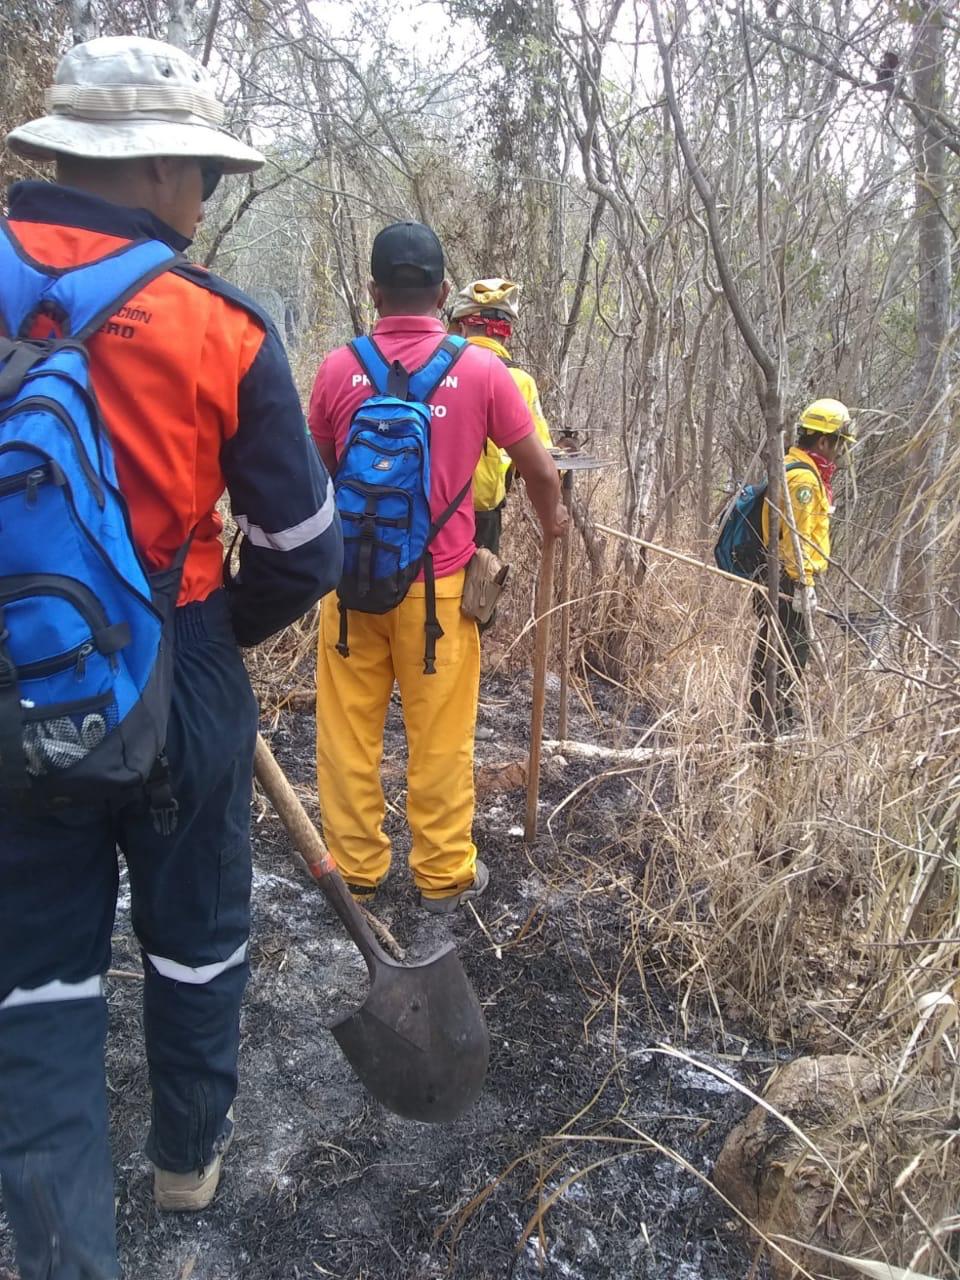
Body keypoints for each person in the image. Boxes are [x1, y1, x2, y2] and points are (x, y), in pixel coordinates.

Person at [0, 35, 342, 1279]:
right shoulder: (216, 325)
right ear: (144, 167)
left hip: (10, 676)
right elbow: (306, 547)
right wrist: (207, 640)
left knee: (33, 966)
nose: (205, 193)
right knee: (195, 931)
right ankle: (186, 1162)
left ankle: (60, 1245)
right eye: (198, 165)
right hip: (182, 658)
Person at [308, 223, 567, 912]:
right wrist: (554, 525)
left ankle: (357, 871)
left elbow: (316, 472)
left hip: (349, 588)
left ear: (373, 290)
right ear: (443, 292)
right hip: (439, 595)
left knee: (346, 735)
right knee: (442, 741)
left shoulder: (339, 368)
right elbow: (539, 468)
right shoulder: (483, 370)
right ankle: (444, 875)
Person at [749, 398, 855, 732]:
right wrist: (803, 586)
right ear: (823, 441)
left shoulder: (798, 468)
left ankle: (771, 723)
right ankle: (770, 727)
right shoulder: (805, 482)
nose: (840, 451)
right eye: (839, 443)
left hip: (786, 581)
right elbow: (796, 539)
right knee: (786, 659)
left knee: (779, 656)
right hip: (788, 584)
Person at [447, 277, 553, 555]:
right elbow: (543, 458)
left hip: (430, 509)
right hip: (483, 515)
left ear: (462, 326)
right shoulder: (520, 381)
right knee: (480, 594)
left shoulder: (435, 371)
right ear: (507, 333)